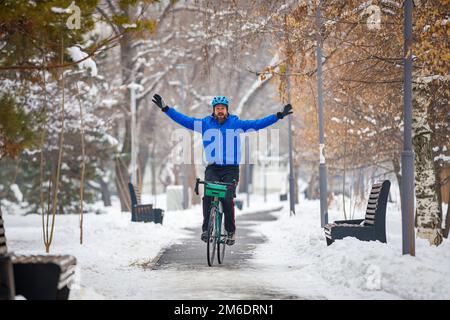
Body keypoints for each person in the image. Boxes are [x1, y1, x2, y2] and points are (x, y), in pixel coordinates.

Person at [152, 94, 293, 245]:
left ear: (227, 110)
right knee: (208, 196)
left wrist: (278, 116)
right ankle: (206, 229)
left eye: (223, 109)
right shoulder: (205, 123)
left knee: (227, 198)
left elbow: (258, 123)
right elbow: (185, 120)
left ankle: (230, 231)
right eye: (218, 108)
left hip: (231, 169)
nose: (220, 111)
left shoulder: (235, 123)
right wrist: (166, 109)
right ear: (213, 110)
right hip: (213, 168)